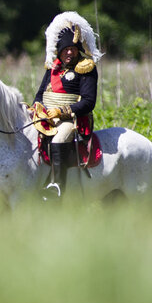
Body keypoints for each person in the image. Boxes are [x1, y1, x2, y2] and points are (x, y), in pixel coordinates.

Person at [30, 11, 103, 197]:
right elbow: (40, 94)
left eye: (72, 48)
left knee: (59, 138)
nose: (69, 52)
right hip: (46, 115)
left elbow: (88, 102)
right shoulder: (52, 67)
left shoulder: (86, 68)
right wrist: (35, 107)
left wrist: (61, 111)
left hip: (72, 119)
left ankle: (57, 186)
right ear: (59, 50)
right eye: (65, 49)